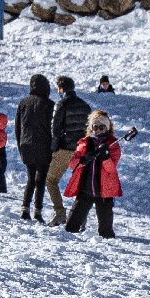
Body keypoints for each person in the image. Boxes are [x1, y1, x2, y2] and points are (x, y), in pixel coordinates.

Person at [64, 110, 122, 238]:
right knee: (71, 226)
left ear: (107, 128)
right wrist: (83, 159)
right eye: (95, 127)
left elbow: (111, 169)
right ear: (91, 127)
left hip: (104, 192)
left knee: (106, 231)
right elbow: (72, 164)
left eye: (101, 127)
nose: (98, 130)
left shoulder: (112, 144)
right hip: (86, 189)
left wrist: (105, 157)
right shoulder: (85, 142)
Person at [46, 76, 92, 225]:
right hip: (82, 151)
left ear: (61, 89)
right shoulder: (85, 106)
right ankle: (80, 218)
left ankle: (60, 213)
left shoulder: (62, 104)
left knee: (51, 180)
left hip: (65, 149)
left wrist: (53, 149)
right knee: (80, 185)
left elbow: (56, 129)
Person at [15, 74, 54, 222]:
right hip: (43, 147)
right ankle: (38, 211)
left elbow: (18, 127)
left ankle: (25, 209)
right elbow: (52, 129)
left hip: (26, 146)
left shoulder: (23, 103)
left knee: (31, 178)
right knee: (40, 179)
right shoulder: (49, 104)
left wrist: (20, 146)